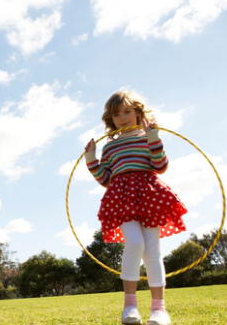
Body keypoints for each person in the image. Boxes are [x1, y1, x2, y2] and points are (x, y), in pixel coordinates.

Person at [84, 90, 187, 325]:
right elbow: (105, 179)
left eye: (127, 112)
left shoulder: (147, 136)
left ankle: (159, 310)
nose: (122, 118)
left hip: (150, 195)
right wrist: (91, 158)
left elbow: (160, 166)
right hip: (121, 197)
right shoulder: (110, 147)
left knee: (152, 251)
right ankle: (129, 306)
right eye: (116, 115)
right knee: (135, 242)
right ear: (111, 120)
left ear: (138, 113)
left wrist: (153, 138)